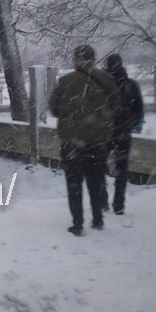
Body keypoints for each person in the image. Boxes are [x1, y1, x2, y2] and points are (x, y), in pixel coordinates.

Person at [49, 45, 119, 236]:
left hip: (72, 142)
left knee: (74, 184)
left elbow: (54, 109)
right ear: (93, 59)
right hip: (97, 142)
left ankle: (77, 223)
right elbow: (115, 106)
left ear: (76, 60)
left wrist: (71, 113)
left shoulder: (66, 81)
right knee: (96, 181)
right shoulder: (106, 80)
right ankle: (97, 218)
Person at [103, 54, 145, 215]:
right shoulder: (131, 85)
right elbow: (139, 110)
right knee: (122, 168)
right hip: (124, 132)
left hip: (104, 132)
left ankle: (102, 200)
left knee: (99, 165)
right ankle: (119, 204)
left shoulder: (101, 85)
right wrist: (132, 124)